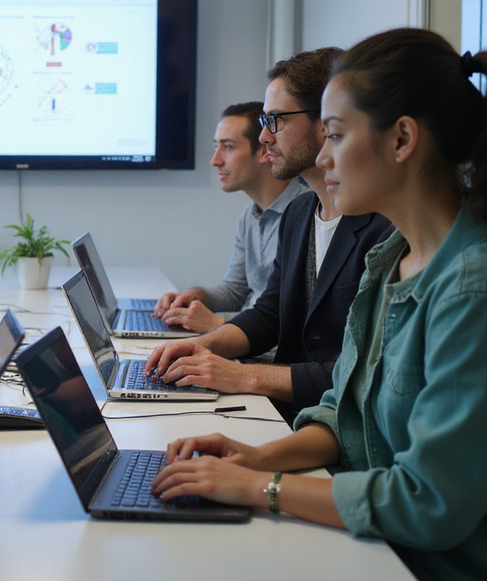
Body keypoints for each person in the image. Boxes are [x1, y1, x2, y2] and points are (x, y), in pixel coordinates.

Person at [151, 28, 487, 581]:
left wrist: (260, 488)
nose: (323, 156)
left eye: (336, 136)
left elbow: (426, 503)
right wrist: (256, 456)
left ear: (402, 140)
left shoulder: (481, 290)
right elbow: (346, 416)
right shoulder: (392, 260)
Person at [146, 48, 393, 413]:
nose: (264, 137)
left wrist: (243, 376)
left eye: (276, 120)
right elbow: (271, 313)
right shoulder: (299, 213)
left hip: (334, 422)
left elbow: (361, 372)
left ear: (325, 122)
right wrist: (206, 346)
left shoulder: (384, 227)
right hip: (294, 413)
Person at [153, 101, 309, 333]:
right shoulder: (251, 213)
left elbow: (292, 318)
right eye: (217, 147)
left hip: (266, 351)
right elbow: (236, 291)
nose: (215, 161)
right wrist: (197, 296)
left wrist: (220, 323)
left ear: (265, 150)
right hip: (245, 337)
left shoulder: (305, 212)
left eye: (228, 147)